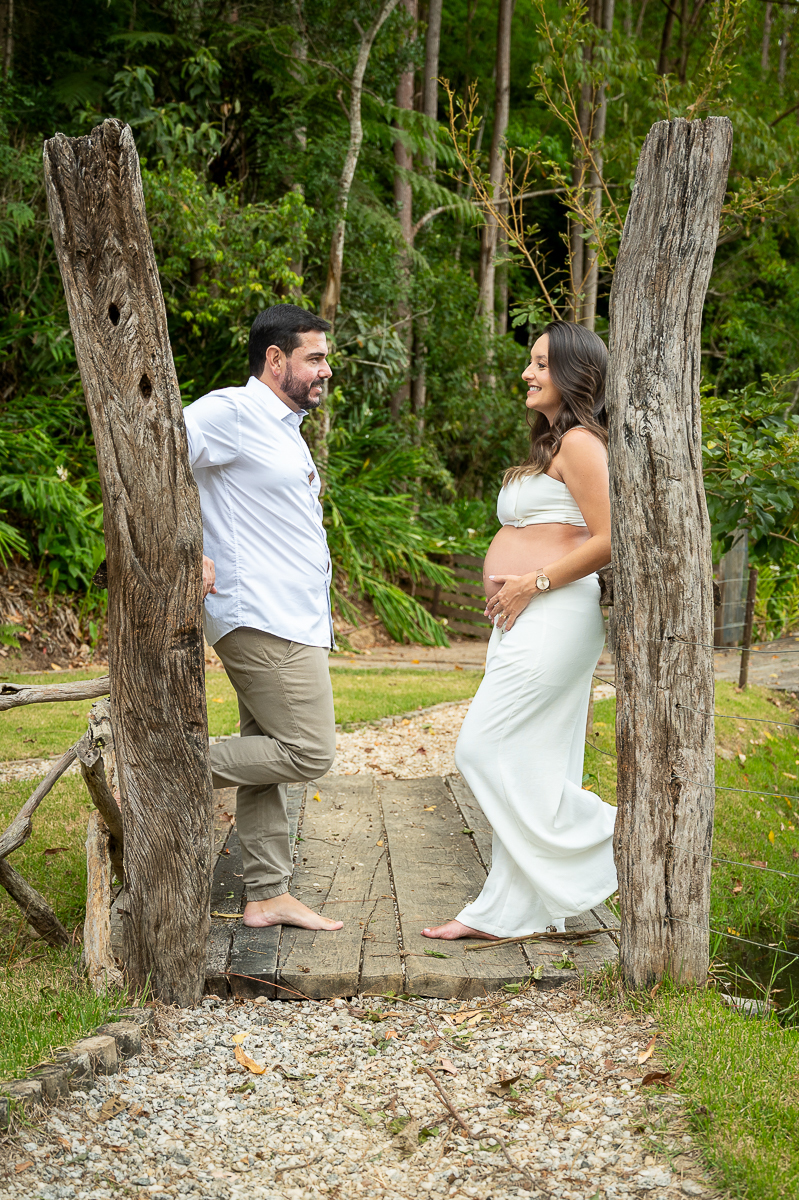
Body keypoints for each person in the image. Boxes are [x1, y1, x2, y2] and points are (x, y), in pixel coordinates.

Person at [422, 320, 617, 941]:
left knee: (479, 747)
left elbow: (610, 541)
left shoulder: (583, 443)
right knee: (534, 759)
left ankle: (622, 833)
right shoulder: (553, 445)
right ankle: (508, 911)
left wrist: (532, 583)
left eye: (540, 364)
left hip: (555, 613)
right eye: (530, 362)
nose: (528, 374)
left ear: (573, 374)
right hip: (524, 615)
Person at [184, 304, 343, 933]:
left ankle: (267, 892)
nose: (326, 370)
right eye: (315, 357)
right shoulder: (231, 411)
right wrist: (185, 548)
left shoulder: (284, 427)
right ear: (275, 360)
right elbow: (147, 460)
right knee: (307, 751)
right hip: (259, 616)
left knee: (267, 752)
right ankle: (170, 761)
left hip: (289, 616)